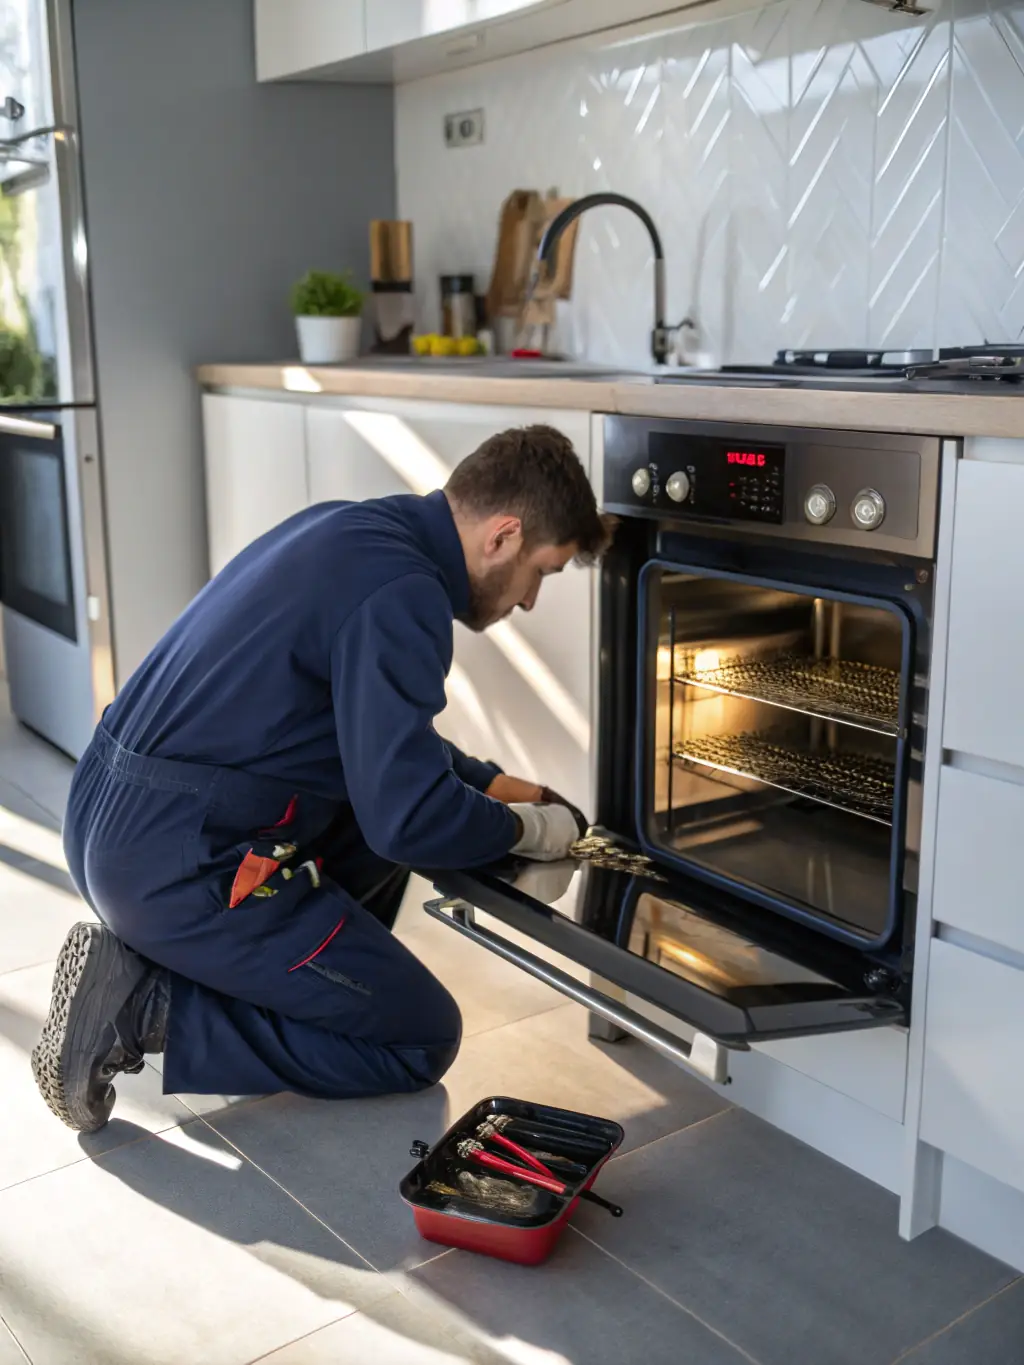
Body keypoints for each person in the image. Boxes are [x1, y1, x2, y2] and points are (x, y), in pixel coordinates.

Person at [32, 424, 612, 1133]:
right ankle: (148, 1005)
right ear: (503, 535)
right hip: (176, 860)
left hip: (109, 817)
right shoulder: (407, 595)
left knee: (377, 825)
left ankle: (239, 973)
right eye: (543, 572)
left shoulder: (354, 530)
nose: (529, 600)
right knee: (419, 1035)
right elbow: (409, 816)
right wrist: (526, 830)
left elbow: (374, 741)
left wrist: (491, 786)